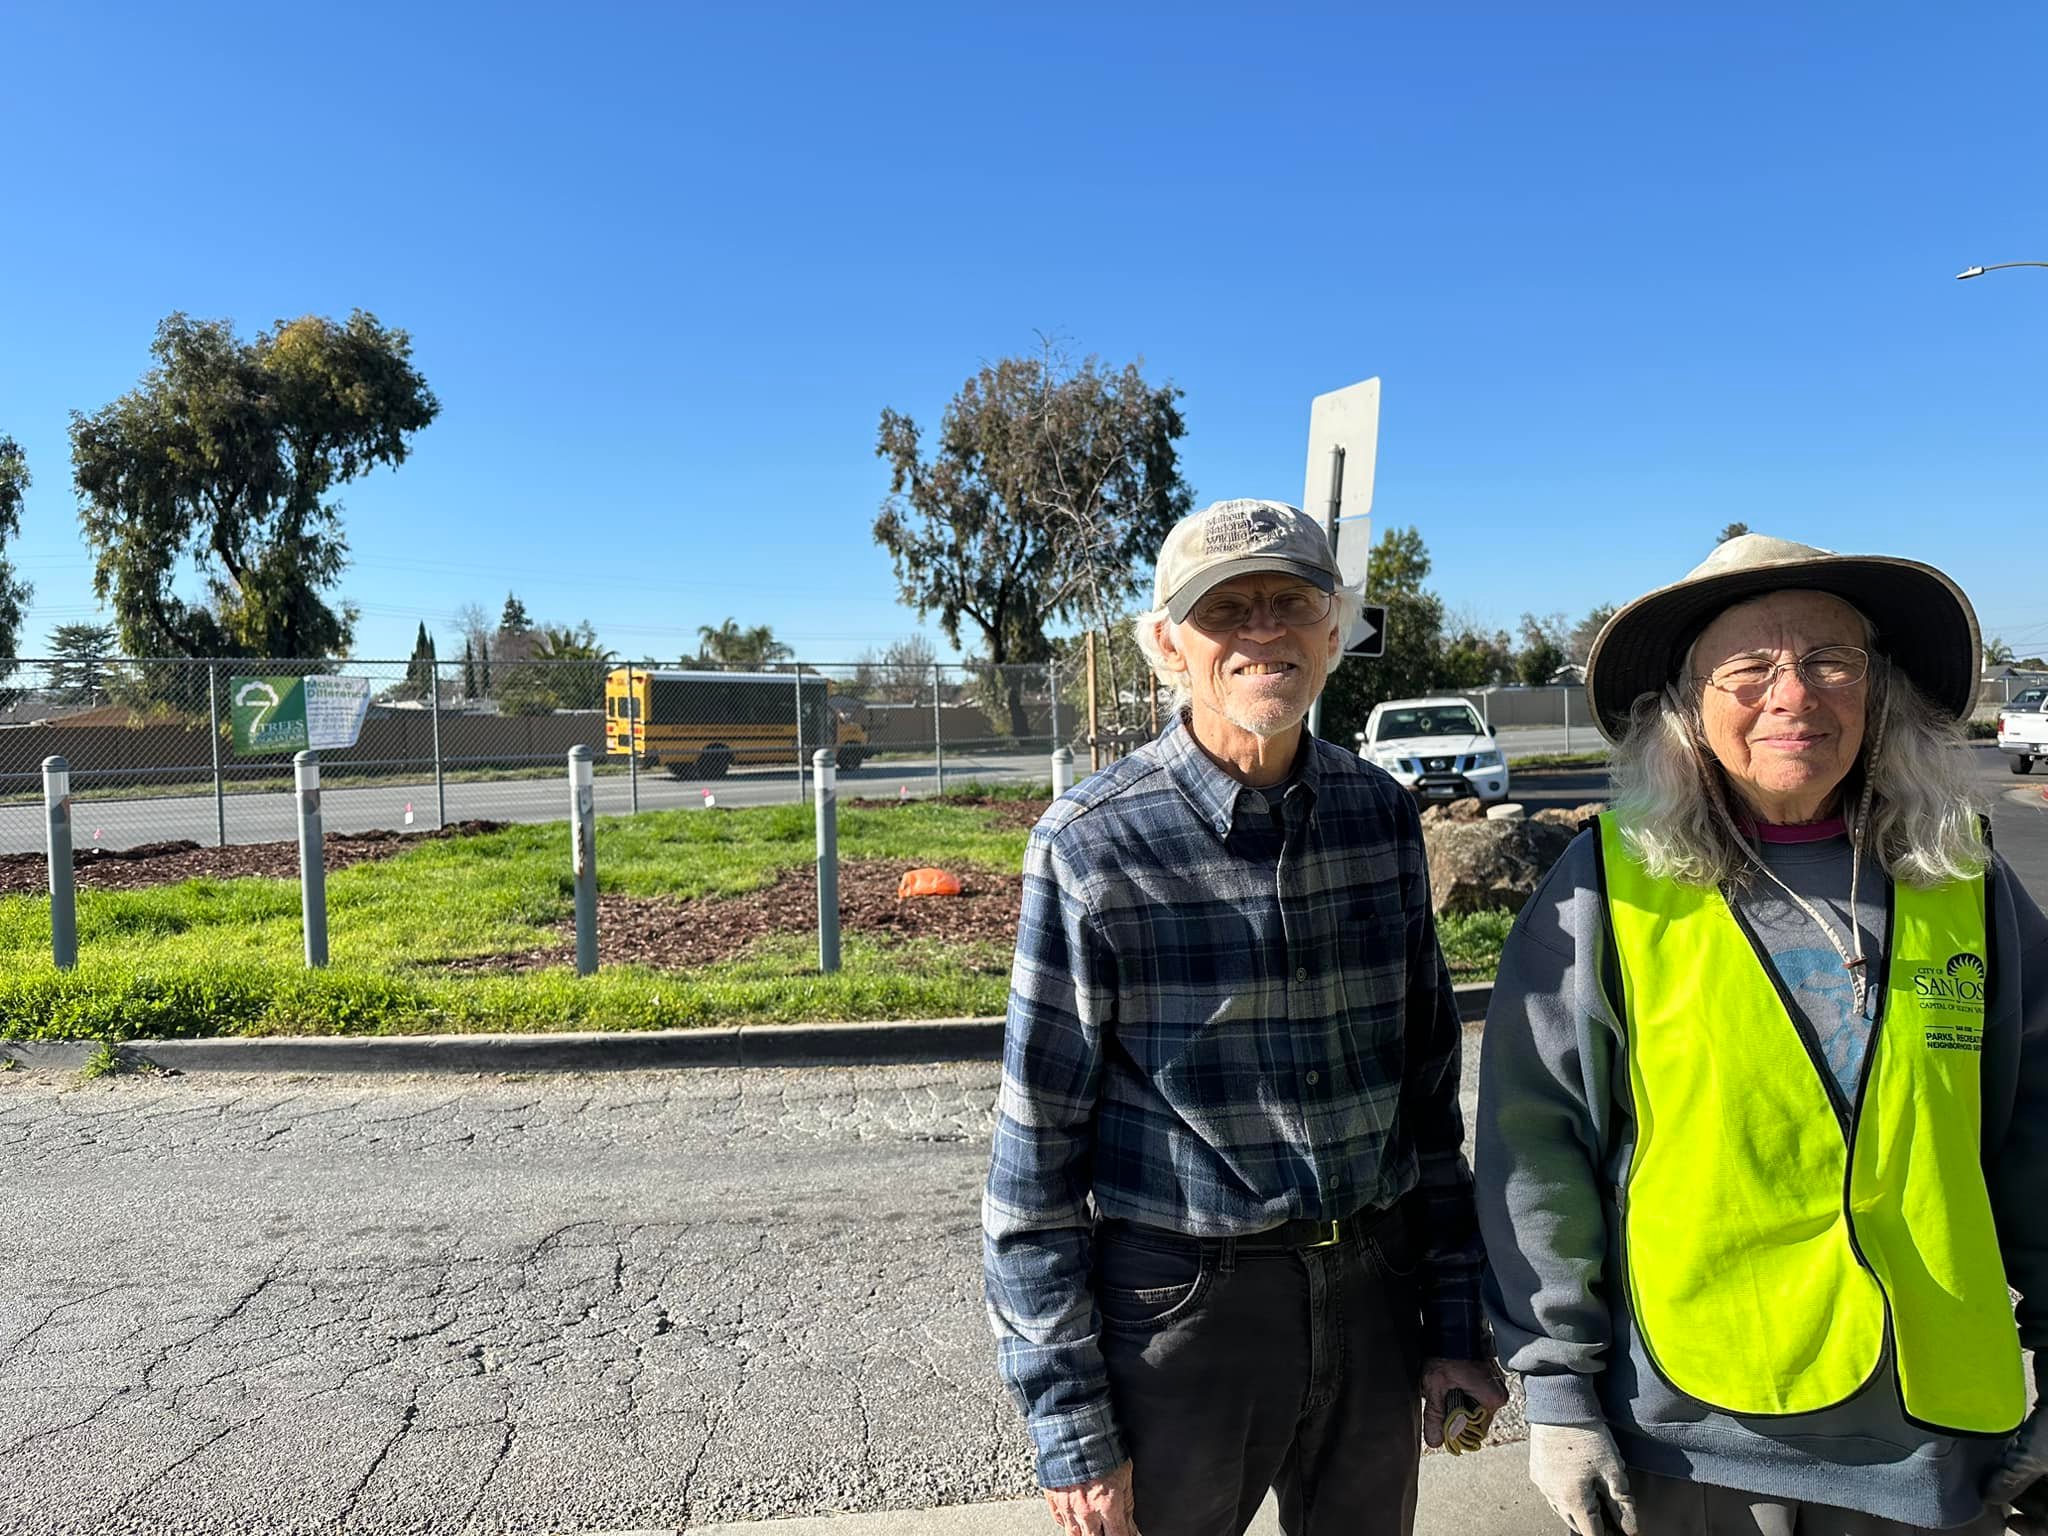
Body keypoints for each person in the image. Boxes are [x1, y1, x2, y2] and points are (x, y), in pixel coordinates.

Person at [1475, 533, 2048, 1536]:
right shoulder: (1606, 887)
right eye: (1747, 669)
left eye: (1829, 660)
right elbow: (1534, 1148)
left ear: (1876, 690)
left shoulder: (1964, 880)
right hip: (1690, 1439)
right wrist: (1557, 1392)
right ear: (1687, 709)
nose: (1792, 694)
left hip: (1928, 1434)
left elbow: (2038, 1134)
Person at [984, 498, 1507, 1536]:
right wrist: (1072, 1425)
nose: (1261, 632)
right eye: (1224, 610)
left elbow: (1426, 1100)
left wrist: (1452, 1322)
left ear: (1331, 635)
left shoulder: (1380, 819)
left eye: (1289, 604)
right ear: (1168, 645)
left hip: (1371, 1287)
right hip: (1182, 1310)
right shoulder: (1091, 847)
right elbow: (1033, 1162)